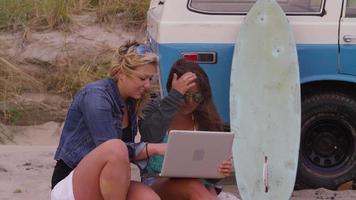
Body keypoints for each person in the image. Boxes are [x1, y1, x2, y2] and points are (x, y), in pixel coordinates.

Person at [51, 40, 166, 200]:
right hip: (71, 181)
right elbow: (113, 151)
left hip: (109, 180)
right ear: (121, 73)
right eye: (142, 78)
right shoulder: (96, 96)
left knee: (149, 198)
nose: (147, 86)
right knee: (115, 147)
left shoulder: (131, 101)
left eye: (150, 79)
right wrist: (154, 148)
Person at [139, 59, 233, 200]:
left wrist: (220, 170)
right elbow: (149, 136)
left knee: (200, 188)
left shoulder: (205, 119)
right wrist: (173, 98)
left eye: (196, 97)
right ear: (173, 90)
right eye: (184, 96)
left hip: (199, 184)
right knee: (193, 186)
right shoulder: (154, 109)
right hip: (157, 183)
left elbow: (211, 180)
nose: (190, 102)